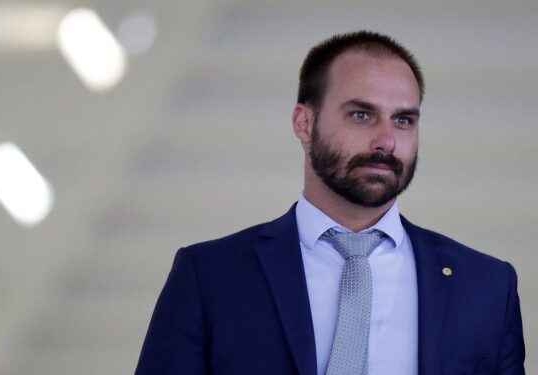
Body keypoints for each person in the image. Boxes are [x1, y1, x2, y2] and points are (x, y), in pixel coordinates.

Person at [135, 30, 525, 375]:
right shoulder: (210, 277)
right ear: (304, 123)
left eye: (404, 120)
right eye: (361, 114)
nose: (386, 141)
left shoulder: (488, 287)